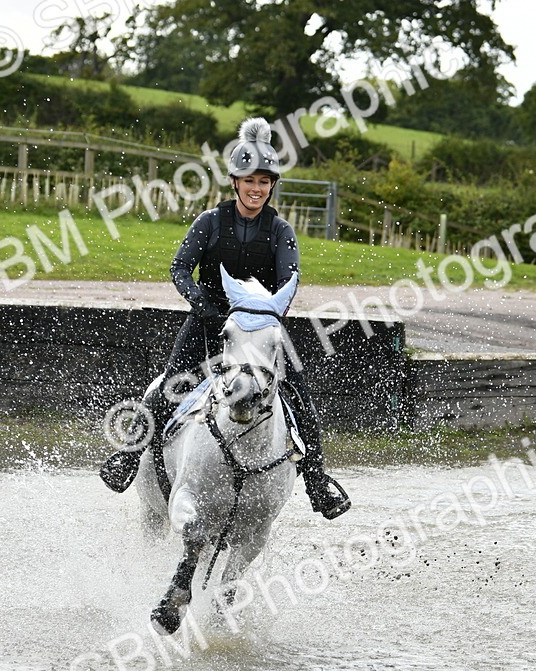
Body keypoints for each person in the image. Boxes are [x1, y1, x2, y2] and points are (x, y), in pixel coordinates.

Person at [99, 117, 350, 519]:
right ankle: (129, 458)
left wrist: (264, 318)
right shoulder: (210, 222)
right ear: (235, 182)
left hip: (260, 332)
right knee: (168, 386)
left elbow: (289, 283)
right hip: (208, 323)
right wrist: (201, 302)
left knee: (300, 395)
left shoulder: (282, 231)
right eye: (249, 180)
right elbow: (180, 268)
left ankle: (317, 480)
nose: (256, 188)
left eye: (264, 182)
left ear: (271, 187)